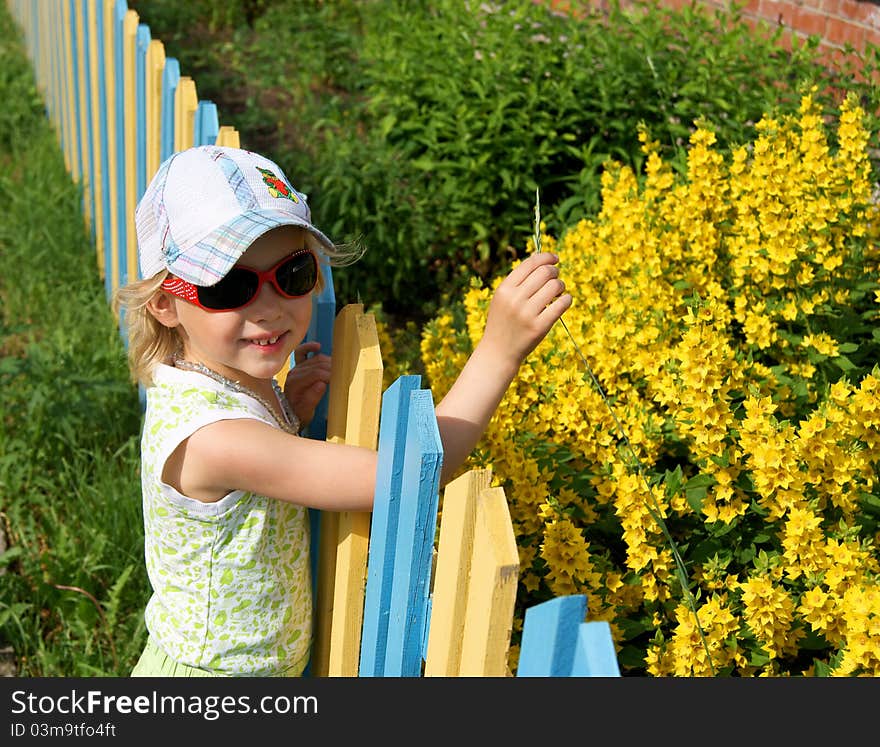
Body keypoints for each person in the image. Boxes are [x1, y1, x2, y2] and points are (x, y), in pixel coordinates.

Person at [115, 144, 572, 677]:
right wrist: (499, 351)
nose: (268, 306)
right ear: (164, 303)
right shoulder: (215, 440)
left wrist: (288, 415)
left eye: (293, 274)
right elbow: (409, 476)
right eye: (229, 286)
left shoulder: (218, 383)